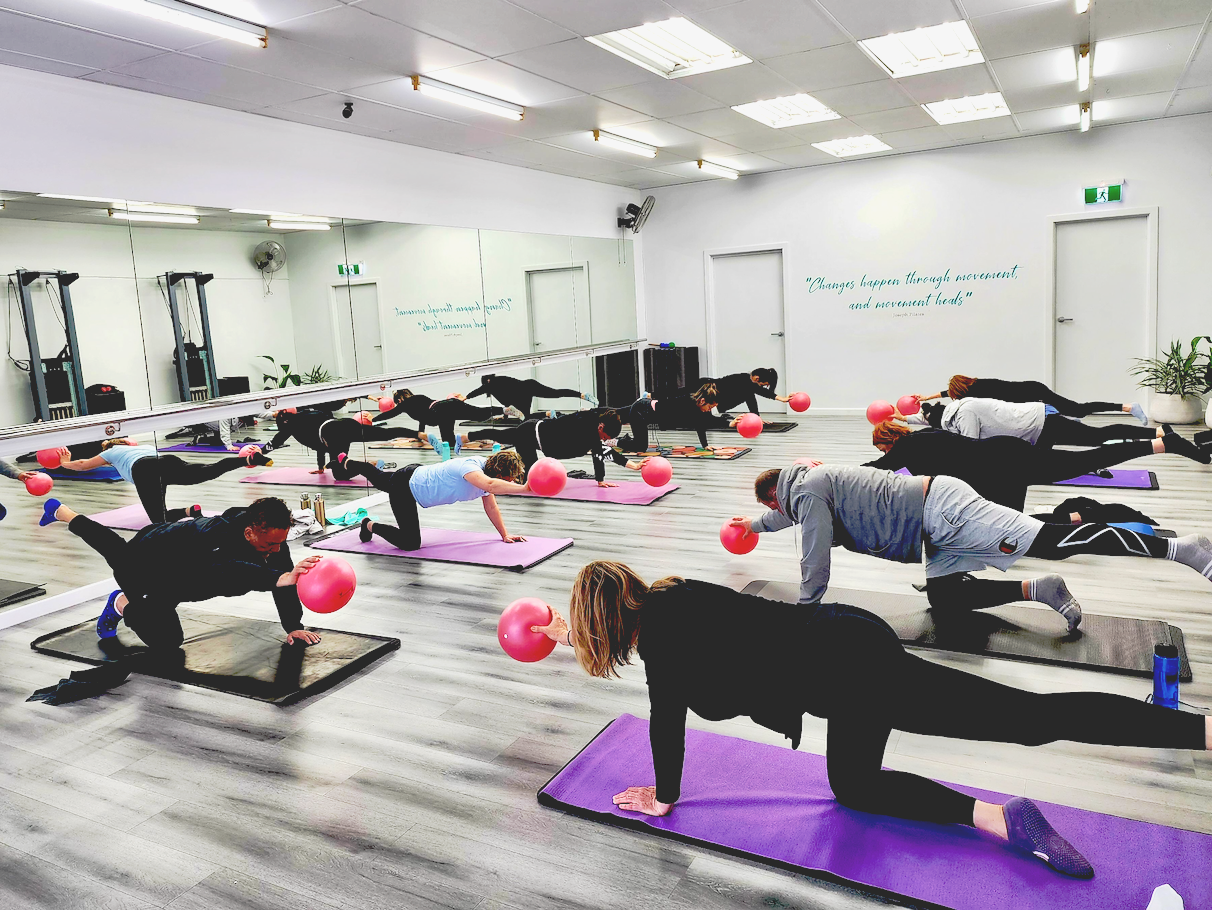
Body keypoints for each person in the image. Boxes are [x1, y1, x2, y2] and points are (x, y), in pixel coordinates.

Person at [528, 560, 1211, 880]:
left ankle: (1004, 818)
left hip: (845, 674)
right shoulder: (676, 593)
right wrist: (569, 631)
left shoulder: (663, 654)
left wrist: (666, 797)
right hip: (849, 637)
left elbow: (665, 726)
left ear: (606, 623)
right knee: (1026, 717)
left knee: (860, 785)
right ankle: (1199, 731)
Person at [732, 462, 1212, 630]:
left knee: (1053, 539)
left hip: (944, 510)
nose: (783, 513)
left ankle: (1182, 549)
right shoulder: (806, 487)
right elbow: (787, 517)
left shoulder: (810, 491)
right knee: (946, 597)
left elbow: (814, 557)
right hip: (931, 525)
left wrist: (804, 610)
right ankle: (1040, 589)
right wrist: (754, 525)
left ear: (779, 491)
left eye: (773, 507)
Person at [40, 496, 322, 650]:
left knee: (116, 550)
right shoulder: (214, 537)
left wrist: (293, 625)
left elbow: (285, 576)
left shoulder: (270, 537)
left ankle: (61, 510)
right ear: (249, 533)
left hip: (181, 575)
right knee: (167, 642)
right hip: (148, 567)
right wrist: (275, 578)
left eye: (280, 543)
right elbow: (226, 571)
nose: (276, 550)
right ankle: (121, 603)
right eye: (271, 544)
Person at [866, 420, 1209, 511]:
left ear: (887, 440)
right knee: (1084, 461)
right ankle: (1161, 444)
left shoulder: (906, 450)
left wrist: (819, 470)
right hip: (1005, 455)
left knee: (1084, 461)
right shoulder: (926, 434)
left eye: (881, 444)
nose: (883, 450)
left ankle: (1163, 445)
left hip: (1004, 466)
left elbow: (876, 468)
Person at [339, 450, 530, 549]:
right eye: (510, 477)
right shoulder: (472, 469)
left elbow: (491, 507)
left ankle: (349, 463)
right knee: (410, 543)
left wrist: (504, 534)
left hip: (416, 476)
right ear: (499, 471)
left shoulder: (487, 478)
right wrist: (524, 488)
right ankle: (368, 524)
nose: (511, 481)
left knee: (380, 479)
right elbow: (490, 485)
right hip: (406, 486)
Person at [56, 438, 272, 523]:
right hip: (165, 461)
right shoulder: (140, 447)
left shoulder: (112, 452)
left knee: (158, 521)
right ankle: (246, 459)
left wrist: (65, 463)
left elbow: (83, 464)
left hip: (144, 471)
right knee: (208, 471)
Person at [464, 409, 644, 487]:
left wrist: (601, 479)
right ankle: (490, 479)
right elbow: (601, 452)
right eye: (605, 437)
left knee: (501, 435)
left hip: (538, 435)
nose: (604, 440)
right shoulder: (586, 426)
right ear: (601, 427)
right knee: (529, 478)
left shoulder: (594, 427)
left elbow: (601, 453)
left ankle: (466, 437)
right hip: (530, 433)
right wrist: (631, 466)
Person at [917, 398, 1172, 451]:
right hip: (1034, 430)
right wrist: (897, 418)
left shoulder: (964, 414)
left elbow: (969, 446)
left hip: (1040, 423)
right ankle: (1155, 434)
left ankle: (1156, 432)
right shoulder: (959, 408)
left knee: (1097, 437)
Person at [916, 375, 1148, 423]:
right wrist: (929, 396)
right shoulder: (977, 384)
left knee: (1078, 410)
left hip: (1035, 393)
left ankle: (1127, 407)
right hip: (1032, 392)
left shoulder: (976, 392)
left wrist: (932, 398)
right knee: (1072, 412)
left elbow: (951, 395)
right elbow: (950, 393)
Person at [263, 409, 418, 480]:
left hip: (334, 435)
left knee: (340, 475)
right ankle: (420, 435)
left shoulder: (290, 427)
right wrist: (320, 467)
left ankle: (371, 465)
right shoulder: (308, 414)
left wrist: (260, 454)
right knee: (385, 433)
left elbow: (275, 442)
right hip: (345, 424)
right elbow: (320, 439)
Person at [373, 388, 520, 450]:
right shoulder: (419, 398)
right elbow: (422, 419)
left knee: (448, 443)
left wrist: (373, 420)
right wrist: (420, 434)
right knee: (479, 414)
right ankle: (505, 409)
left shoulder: (404, 405)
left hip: (441, 412)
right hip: (447, 404)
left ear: (398, 400)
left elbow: (389, 414)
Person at [616, 384, 720, 453]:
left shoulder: (697, 409)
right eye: (710, 407)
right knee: (640, 447)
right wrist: (650, 395)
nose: (709, 410)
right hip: (641, 410)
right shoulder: (686, 401)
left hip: (646, 411)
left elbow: (700, 425)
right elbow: (668, 397)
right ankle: (614, 441)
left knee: (640, 444)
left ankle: (626, 440)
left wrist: (705, 445)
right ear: (702, 401)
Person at [465, 374, 596, 419]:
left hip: (524, 392)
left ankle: (548, 414)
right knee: (555, 393)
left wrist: (465, 397)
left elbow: (479, 390)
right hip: (529, 386)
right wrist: (504, 415)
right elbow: (506, 402)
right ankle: (582, 395)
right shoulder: (498, 384)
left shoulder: (492, 384)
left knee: (526, 418)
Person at [694, 368, 791, 423]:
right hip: (700, 387)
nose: (762, 387)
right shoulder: (743, 379)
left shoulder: (748, 382)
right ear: (757, 379)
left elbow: (756, 394)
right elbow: (759, 392)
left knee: (749, 393)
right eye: (763, 385)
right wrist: (782, 399)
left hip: (716, 398)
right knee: (749, 393)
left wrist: (756, 418)